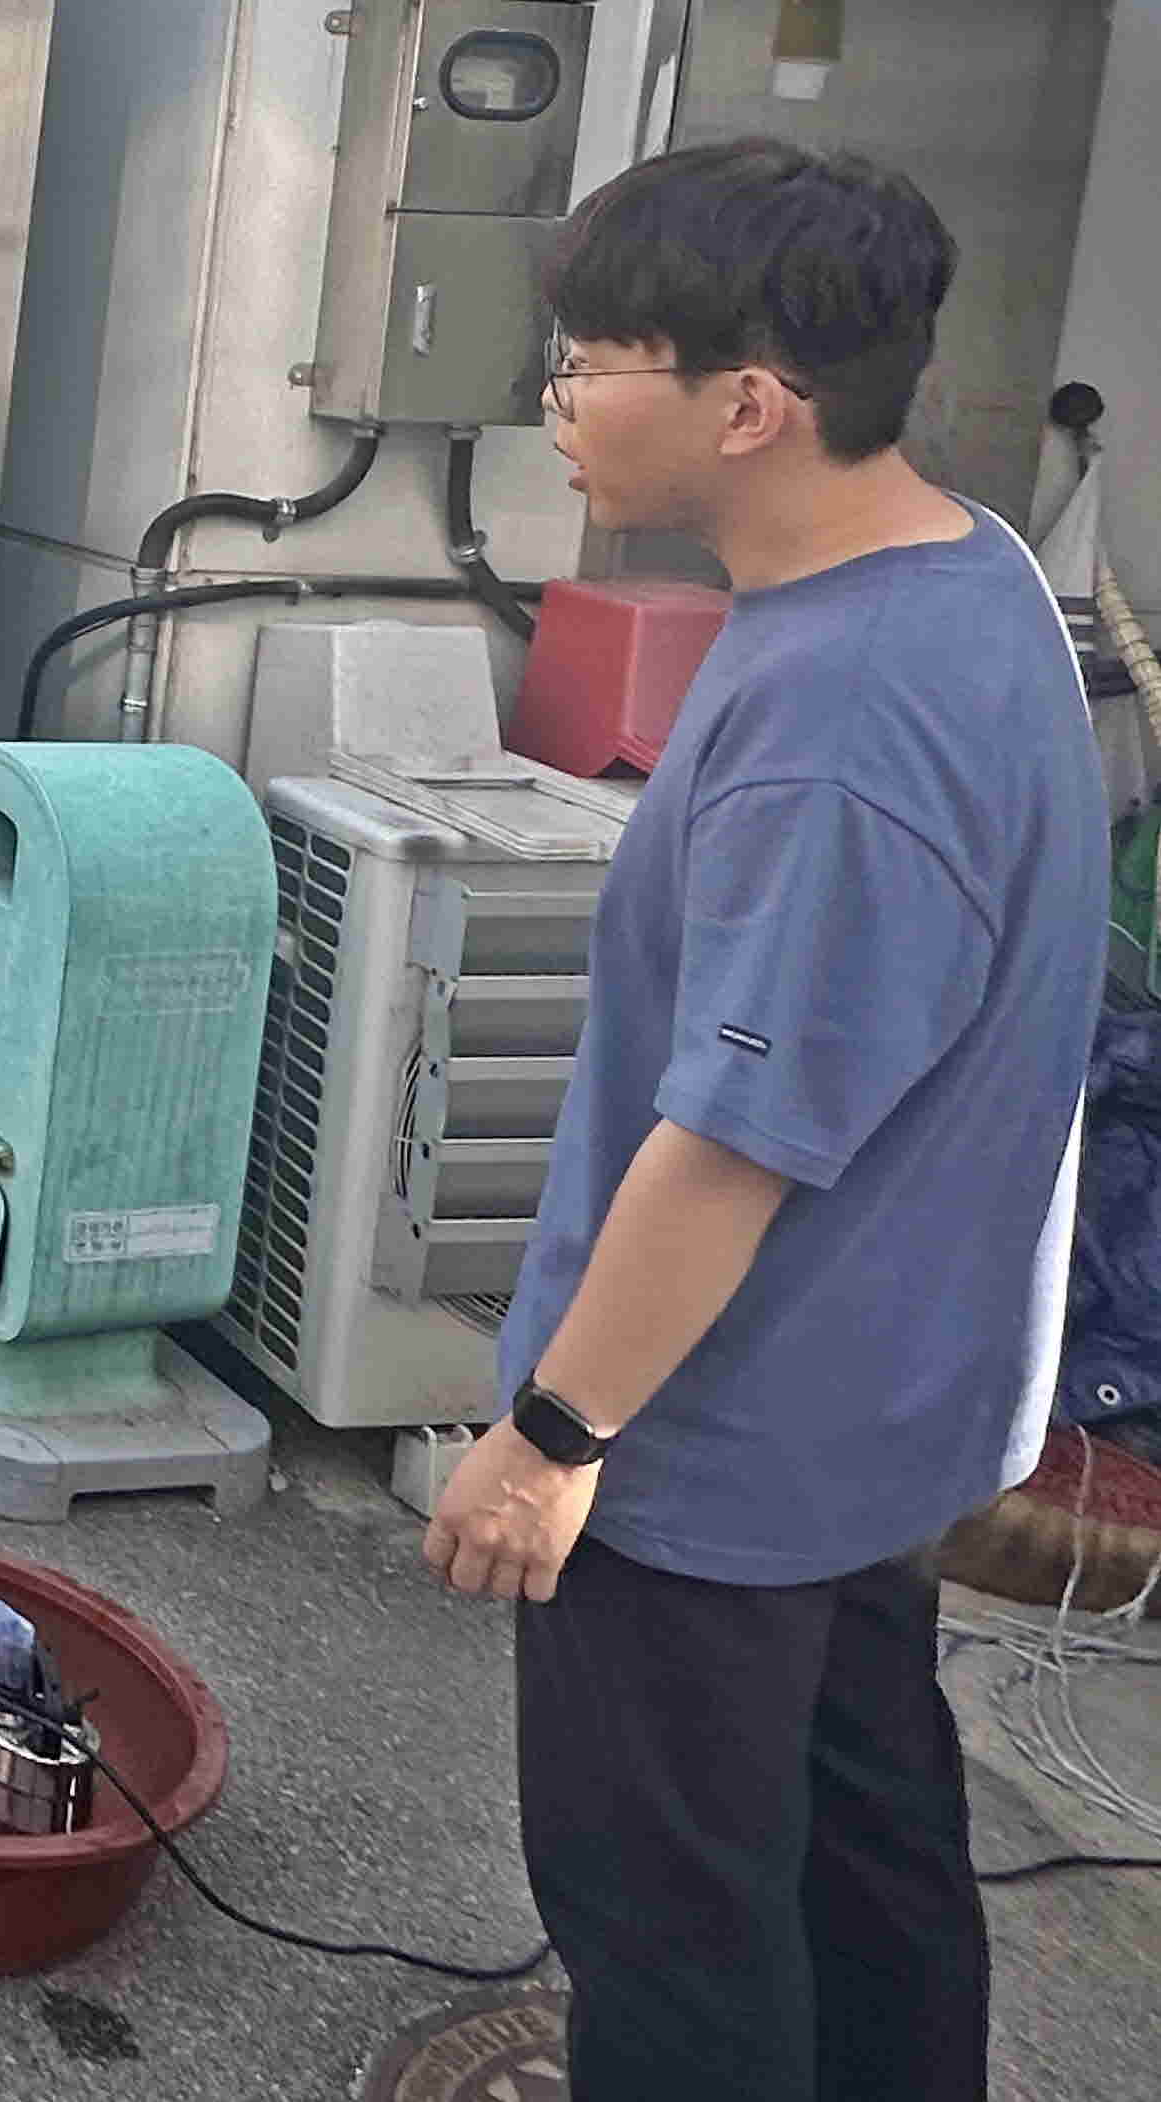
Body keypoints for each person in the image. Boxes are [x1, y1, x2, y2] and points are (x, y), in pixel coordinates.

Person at [423, 141, 1104, 2102]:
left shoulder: (842, 719)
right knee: (858, 1869)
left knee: (670, 1930)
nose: (554, 403)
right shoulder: (966, 573)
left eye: (585, 361)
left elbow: (733, 1140)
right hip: (877, 1417)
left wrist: (552, 1435)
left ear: (742, 402)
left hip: (708, 1454)